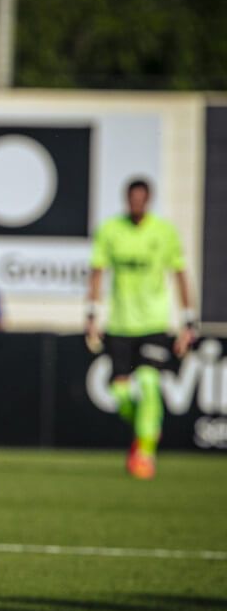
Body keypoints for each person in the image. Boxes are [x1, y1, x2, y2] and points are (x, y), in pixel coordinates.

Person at [85, 178, 197, 480]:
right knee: (120, 394)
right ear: (127, 200)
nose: (136, 204)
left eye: (141, 199)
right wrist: (92, 315)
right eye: (132, 199)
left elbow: (180, 274)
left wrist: (188, 321)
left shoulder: (164, 232)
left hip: (154, 323)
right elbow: (97, 272)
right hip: (120, 324)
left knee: (149, 383)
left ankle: (145, 451)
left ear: (148, 200)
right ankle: (147, 429)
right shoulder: (110, 230)